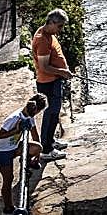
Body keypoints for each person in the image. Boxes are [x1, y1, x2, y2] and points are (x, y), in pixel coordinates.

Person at [32, 9, 73, 161]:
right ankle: (46, 150)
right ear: (51, 22)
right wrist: (63, 72)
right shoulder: (42, 40)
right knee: (50, 114)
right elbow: (44, 67)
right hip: (48, 83)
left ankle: (50, 142)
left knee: (54, 113)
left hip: (54, 81)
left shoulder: (49, 34)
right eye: (60, 26)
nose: (60, 30)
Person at [0, 93, 47, 215]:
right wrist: (16, 130)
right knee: (8, 179)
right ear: (37, 110)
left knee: (37, 147)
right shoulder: (14, 118)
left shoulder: (29, 116)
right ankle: (8, 208)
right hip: (2, 151)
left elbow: (35, 135)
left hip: (15, 147)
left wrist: (37, 155)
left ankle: (26, 161)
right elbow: (0, 135)